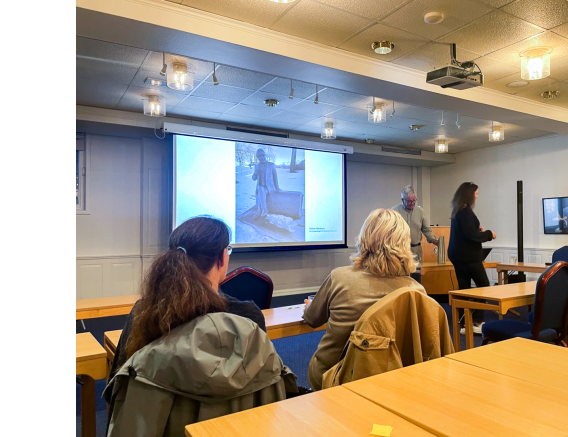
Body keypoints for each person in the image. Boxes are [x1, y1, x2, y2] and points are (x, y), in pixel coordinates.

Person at [106, 216, 267, 387]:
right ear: (222, 257)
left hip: (157, 411)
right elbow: (262, 379)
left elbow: (119, 380)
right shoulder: (247, 316)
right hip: (237, 411)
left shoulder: (146, 310)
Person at [302, 208, 426, 390]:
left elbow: (312, 320)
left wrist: (309, 307)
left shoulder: (339, 278)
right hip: (391, 379)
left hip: (334, 378)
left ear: (365, 239)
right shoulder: (416, 292)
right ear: (405, 244)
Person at [447, 182, 496, 335]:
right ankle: (476, 321)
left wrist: (477, 230)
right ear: (469, 194)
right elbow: (472, 236)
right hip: (469, 257)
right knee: (483, 286)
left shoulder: (458, 211)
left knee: (464, 290)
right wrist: (489, 234)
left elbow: (467, 233)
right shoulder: (466, 212)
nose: (477, 195)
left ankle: (464, 324)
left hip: (458, 256)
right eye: (476, 193)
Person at [391, 185, 438, 283]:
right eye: (409, 201)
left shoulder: (420, 212)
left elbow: (426, 229)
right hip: (400, 251)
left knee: (416, 278)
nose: (412, 203)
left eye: (414, 200)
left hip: (416, 252)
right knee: (400, 278)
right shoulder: (394, 211)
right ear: (402, 200)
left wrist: (433, 239)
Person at [252, 148, 280, 219]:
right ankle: (261, 209)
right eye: (259, 156)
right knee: (260, 188)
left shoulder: (271, 165)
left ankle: (261, 209)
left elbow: (275, 177)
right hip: (260, 187)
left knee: (260, 189)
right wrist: (255, 173)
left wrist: (277, 188)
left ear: (265, 155)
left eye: (262, 155)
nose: (261, 157)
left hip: (269, 187)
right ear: (257, 157)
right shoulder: (256, 166)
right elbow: (253, 178)